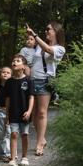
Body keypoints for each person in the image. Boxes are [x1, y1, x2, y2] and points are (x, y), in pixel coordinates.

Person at [26, 21, 66, 156]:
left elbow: (48, 50)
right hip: (32, 81)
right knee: (34, 114)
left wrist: (35, 35)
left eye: (48, 29)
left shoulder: (60, 49)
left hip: (44, 81)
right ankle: (42, 138)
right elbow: (34, 54)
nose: (46, 31)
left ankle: (39, 143)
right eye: (46, 29)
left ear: (56, 31)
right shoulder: (39, 46)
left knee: (42, 113)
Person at [4, 54, 35, 166]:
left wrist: (29, 111)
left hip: (24, 113)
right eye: (13, 60)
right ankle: (12, 160)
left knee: (24, 134)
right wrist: (7, 115)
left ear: (23, 66)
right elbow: (8, 99)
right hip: (13, 113)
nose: (14, 62)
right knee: (14, 134)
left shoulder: (29, 80)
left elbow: (32, 97)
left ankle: (25, 157)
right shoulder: (9, 82)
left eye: (18, 61)